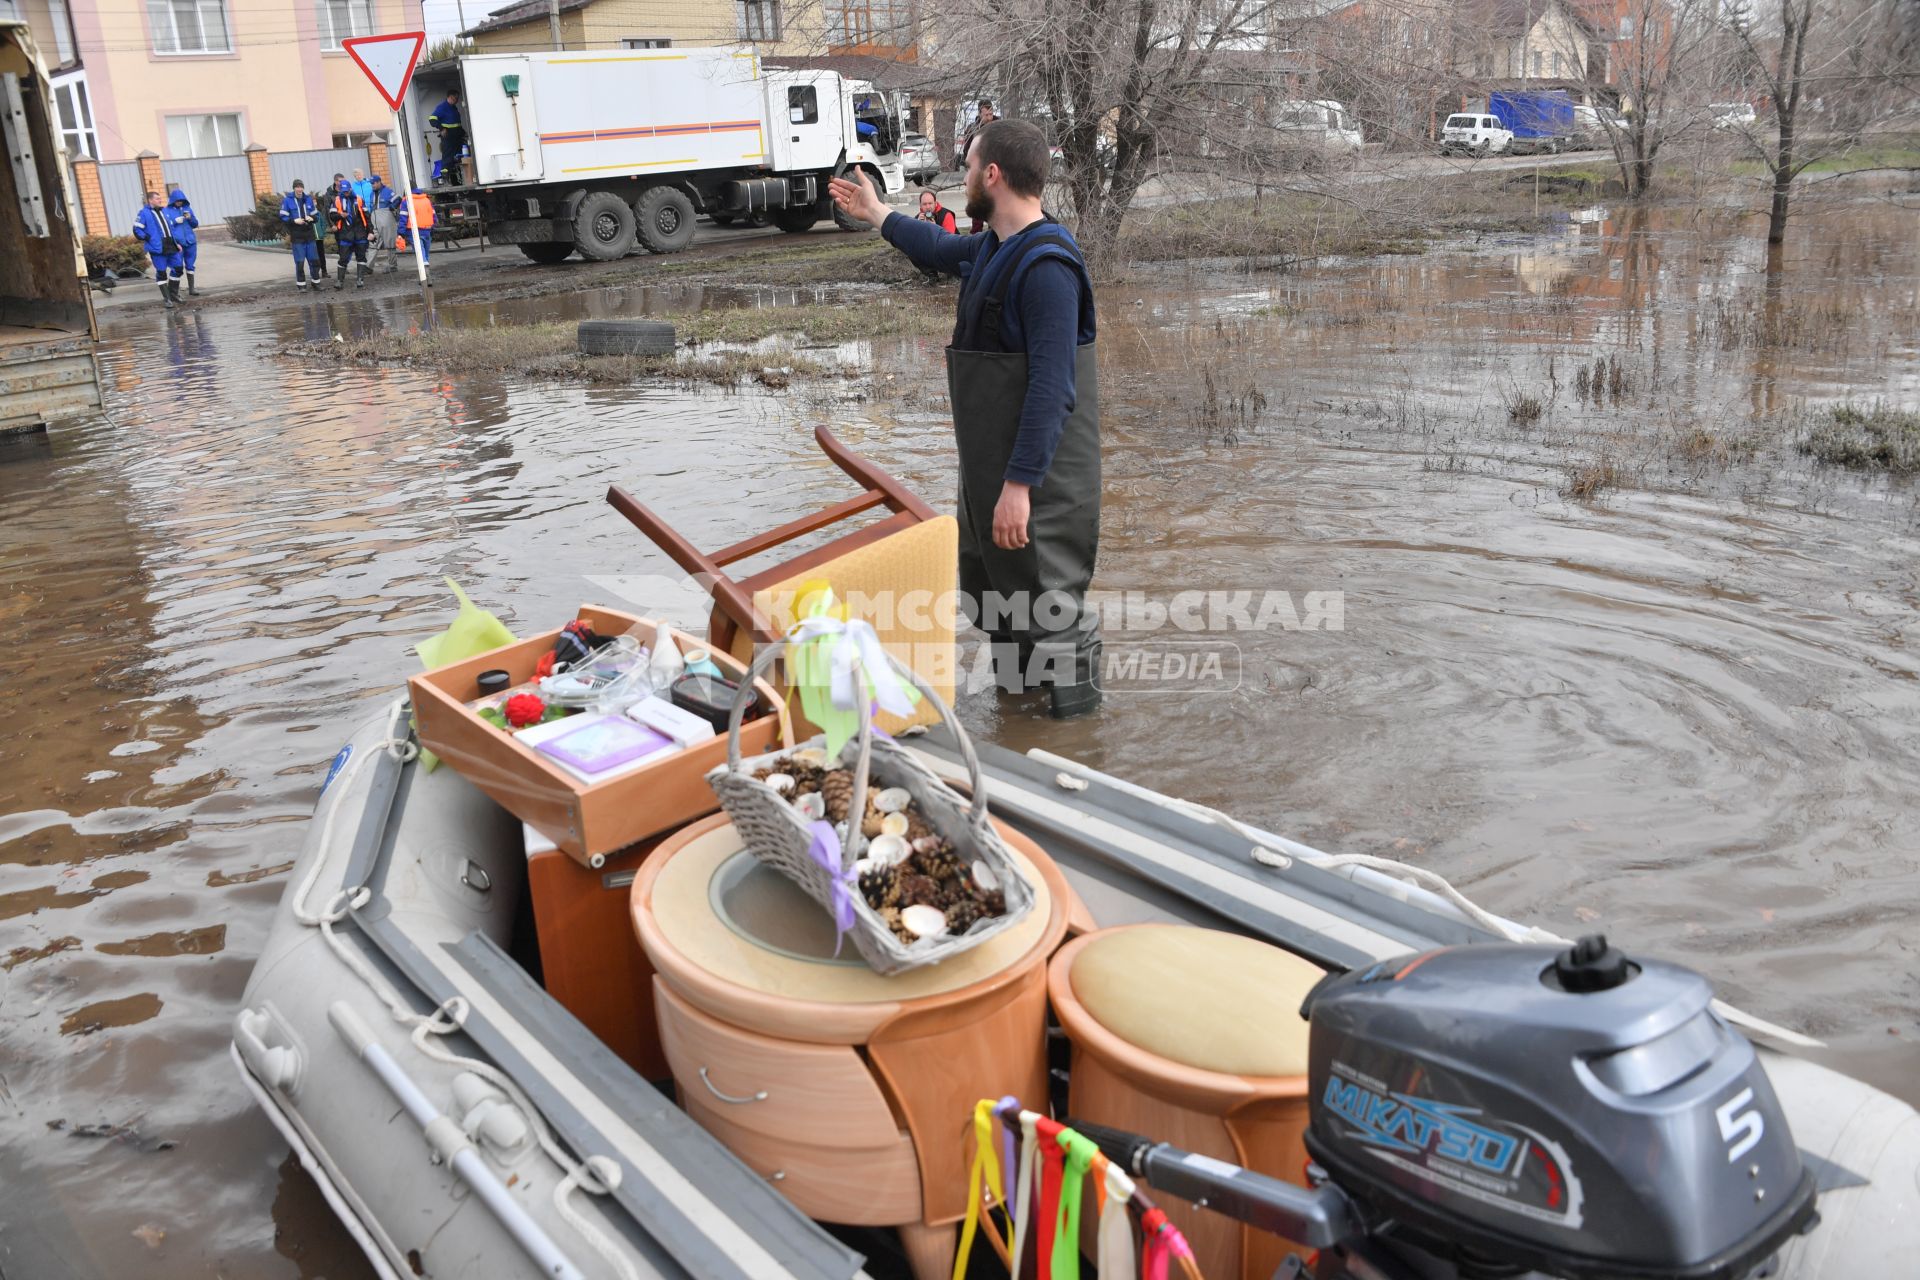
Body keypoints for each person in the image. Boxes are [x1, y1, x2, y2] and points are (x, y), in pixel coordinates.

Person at [830, 119, 1103, 717]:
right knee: (997, 604)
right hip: (992, 475)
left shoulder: (1048, 268)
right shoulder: (994, 247)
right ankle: (1019, 726)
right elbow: (937, 247)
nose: (966, 174)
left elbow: (1053, 388)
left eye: (971, 163)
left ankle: (1079, 744)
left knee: (1054, 613)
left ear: (993, 175)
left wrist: (1019, 488)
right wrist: (878, 213)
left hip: (1040, 486)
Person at [132, 190, 184, 310]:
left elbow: (171, 228)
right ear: (150, 200)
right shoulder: (144, 213)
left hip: (171, 246)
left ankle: (173, 294)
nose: (160, 200)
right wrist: (147, 237)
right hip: (157, 248)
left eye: (160, 198)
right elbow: (137, 229)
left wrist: (177, 243)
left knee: (178, 269)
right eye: (157, 199)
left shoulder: (164, 211)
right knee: (161, 273)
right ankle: (167, 299)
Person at [327, 176, 373, 289]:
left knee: (361, 256)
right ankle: (339, 281)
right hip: (345, 233)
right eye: (344, 191)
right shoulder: (337, 200)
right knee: (343, 258)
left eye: (347, 191)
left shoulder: (359, 199)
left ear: (350, 189)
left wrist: (370, 232)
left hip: (360, 232)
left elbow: (367, 217)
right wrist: (340, 215)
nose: (346, 193)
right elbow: (331, 215)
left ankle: (360, 280)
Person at [958, 99, 996, 231]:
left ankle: (994, 230)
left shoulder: (999, 126)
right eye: (986, 114)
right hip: (979, 169)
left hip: (995, 168)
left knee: (995, 201)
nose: (989, 117)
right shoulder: (972, 129)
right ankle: (976, 234)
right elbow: (967, 151)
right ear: (980, 113)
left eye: (991, 113)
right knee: (978, 200)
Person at [279, 180, 323, 290]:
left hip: (309, 234)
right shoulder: (287, 200)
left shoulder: (308, 199)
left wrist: (311, 218)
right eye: (297, 187)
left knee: (314, 261)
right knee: (300, 262)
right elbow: (283, 217)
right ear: (294, 188)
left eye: (301, 187)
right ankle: (301, 285)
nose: (299, 189)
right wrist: (294, 221)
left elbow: (316, 216)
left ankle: (316, 282)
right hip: (297, 235)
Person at [914, 190, 957, 284]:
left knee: (951, 248)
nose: (928, 207)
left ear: (935, 203)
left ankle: (953, 273)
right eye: (924, 204)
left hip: (950, 249)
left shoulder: (946, 215)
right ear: (920, 206)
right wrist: (918, 226)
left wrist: (935, 228)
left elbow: (949, 240)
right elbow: (912, 241)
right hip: (932, 250)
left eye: (930, 203)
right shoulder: (918, 218)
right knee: (912, 250)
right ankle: (932, 275)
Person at [394, 185, 435, 284]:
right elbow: (433, 215)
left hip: (414, 232)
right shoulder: (426, 199)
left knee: (421, 255)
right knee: (425, 253)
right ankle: (425, 275)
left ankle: (425, 277)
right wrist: (433, 228)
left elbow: (403, 218)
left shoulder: (406, 201)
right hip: (427, 230)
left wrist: (401, 233)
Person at [165, 187, 201, 296]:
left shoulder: (187, 209)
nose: (179, 202)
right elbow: (165, 226)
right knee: (177, 266)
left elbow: (195, 224)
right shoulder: (167, 211)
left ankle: (192, 289)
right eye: (177, 200)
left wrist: (190, 218)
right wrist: (174, 222)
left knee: (190, 265)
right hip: (177, 243)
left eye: (181, 200)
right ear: (173, 200)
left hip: (190, 242)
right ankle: (174, 292)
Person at [430, 90, 465, 185]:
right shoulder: (442, 107)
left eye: (457, 98)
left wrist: (463, 133)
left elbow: (456, 123)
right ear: (449, 97)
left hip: (457, 136)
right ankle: (445, 177)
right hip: (448, 136)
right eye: (454, 98)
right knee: (448, 157)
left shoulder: (454, 108)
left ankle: (458, 179)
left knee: (459, 156)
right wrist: (441, 128)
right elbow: (432, 119)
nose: (456, 100)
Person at [367, 174, 398, 273]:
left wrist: (392, 208)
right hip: (375, 219)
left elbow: (398, 200)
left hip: (387, 219)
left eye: (374, 183)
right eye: (371, 183)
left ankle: (393, 266)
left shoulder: (388, 191)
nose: (372, 185)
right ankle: (368, 267)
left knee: (390, 243)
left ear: (379, 182)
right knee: (373, 242)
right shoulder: (372, 194)